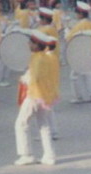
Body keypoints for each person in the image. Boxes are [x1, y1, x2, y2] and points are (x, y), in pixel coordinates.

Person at [14, 31, 58, 166]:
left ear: (37, 45)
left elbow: (36, 77)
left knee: (21, 123)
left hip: (34, 95)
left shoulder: (37, 59)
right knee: (43, 124)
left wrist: (24, 79)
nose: (28, 44)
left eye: (31, 43)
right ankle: (49, 155)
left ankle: (26, 154)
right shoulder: (47, 57)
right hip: (44, 96)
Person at [66, 1, 91, 103]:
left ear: (80, 14)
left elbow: (70, 38)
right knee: (89, 73)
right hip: (89, 51)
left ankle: (78, 96)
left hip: (79, 52)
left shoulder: (80, 25)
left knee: (75, 76)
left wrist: (67, 31)